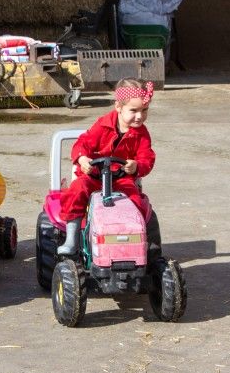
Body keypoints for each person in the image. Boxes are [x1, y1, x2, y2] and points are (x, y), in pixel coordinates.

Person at [57, 78, 156, 256]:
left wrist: (137, 166)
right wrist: (82, 159)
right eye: (133, 111)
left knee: (135, 202)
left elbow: (147, 157)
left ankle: (135, 242)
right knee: (77, 190)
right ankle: (72, 239)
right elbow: (83, 144)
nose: (140, 116)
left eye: (144, 110)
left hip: (121, 180)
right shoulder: (102, 125)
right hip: (94, 177)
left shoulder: (142, 134)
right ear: (118, 107)